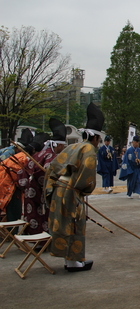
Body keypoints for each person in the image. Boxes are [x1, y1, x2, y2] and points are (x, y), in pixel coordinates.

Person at [44, 102, 104, 272]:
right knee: (75, 223)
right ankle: (74, 261)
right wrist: (83, 190)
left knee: (65, 224)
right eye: (98, 139)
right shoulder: (89, 149)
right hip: (71, 191)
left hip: (59, 188)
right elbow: (87, 175)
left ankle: (71, 261)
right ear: (95, 138)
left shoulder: (73, 146)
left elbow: (53, 166)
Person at [21, 118, 67, 238]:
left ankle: (34, 238)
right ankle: (41, 241)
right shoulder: (50, 156)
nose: (62, 149)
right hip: (38, 191)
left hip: (31, 188)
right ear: (57, 145)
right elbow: (48, 175)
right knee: (40, 216)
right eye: (62, 146)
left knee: (32, 214)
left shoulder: (40, 153)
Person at [0, 129, 41, 224]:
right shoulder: (20, 156)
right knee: (13, 212)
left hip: (5, 182)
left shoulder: (18, 155)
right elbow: (19, 177)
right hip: (6, 184)